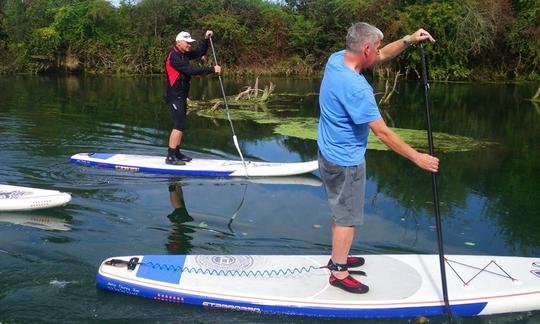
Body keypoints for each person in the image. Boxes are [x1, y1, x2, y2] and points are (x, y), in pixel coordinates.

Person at [317, 22, 438, 294]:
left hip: (327, 152)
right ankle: (338, 272)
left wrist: (408, 40)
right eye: (377, 47)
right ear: (366, 49)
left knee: (340, 210)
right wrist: (417, 157)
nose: (380, 52)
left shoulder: (336, 59)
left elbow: (380, 57)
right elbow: (382, 132)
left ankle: (339, 255)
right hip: (345, 161)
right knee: (347, 218)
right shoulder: (357, 88)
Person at [164, 30, 222, 165]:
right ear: (179, 43)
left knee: (182, 125)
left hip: (181, 95)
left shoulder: (183, 54)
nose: (189, 45)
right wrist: (212, 70)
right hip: (174, 96)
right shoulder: (174, 57)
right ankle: (170, 157)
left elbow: (200, 52)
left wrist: (206, 39)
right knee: (179, 125)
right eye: (187, 43)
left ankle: (177, 153)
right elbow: (189, 71)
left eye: (190, 43)